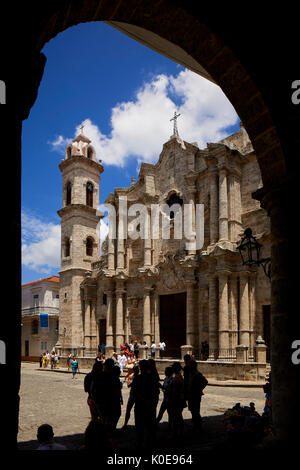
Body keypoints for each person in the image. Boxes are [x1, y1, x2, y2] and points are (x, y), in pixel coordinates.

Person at [131, 359, 160, 450]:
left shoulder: (138, 378)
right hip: (150, 405)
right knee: (149, 425)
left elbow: (135, 392)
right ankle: (150, 444)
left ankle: (140, 444)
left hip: (140, 405)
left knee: (140, 426)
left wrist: (143, 400)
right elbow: (156, 391)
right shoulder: (152, 378)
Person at [92, 358, 123, 433]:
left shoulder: (100, 375)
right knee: (112, 417)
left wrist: (95, 400)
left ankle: (106, 432)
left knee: (105, 418)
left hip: (103, 401)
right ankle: (108, 432)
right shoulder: (113, 377)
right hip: (110, 401)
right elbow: (117, 390)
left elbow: (92, 389)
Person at [187, 360, 208, 432]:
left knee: (195, 411)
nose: (188, 366)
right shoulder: (191, 374)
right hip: (191, 395)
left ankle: (199, 426)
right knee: (193, 411)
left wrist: (200, 389)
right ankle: (195, 425)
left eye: (190, 365)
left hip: (195, 395)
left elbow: (205, 381)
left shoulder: (197, 374)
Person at [168, 362, 186, 441]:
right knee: (178, 416)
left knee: (176, 417)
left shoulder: (178, 378)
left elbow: (176, 390)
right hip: (178, 399)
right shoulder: (178, 377)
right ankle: (178, 433)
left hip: (177, 399)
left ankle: (177, 433)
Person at [122, 365, 139, 429]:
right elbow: (128, 385)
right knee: (128, 409)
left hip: (136, 395)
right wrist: (134, 382)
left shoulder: (140, 377)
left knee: (136, 411)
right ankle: (125, 423)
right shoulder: (131, 376)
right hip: (133, 394)